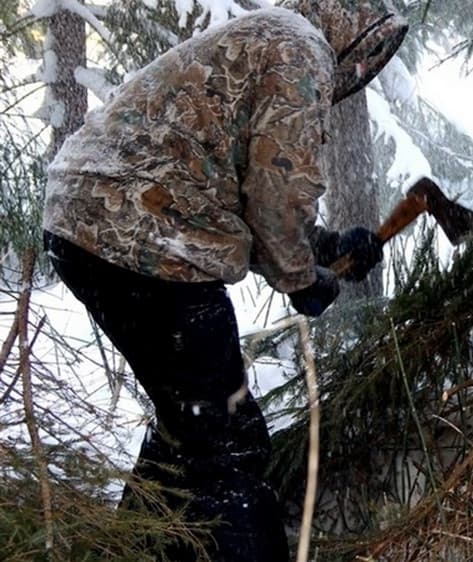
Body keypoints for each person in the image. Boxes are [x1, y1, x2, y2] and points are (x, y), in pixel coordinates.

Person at [41, 1, 408, 560]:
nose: (359, 71)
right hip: (143, 239)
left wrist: (323, 248)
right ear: (350, 25)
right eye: (365, 56)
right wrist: (300, 277)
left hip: (89, 222)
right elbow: (276, 192)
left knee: (190, 421)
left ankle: (132, 551)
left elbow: (236, 176)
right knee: (228, 444)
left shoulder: (270, 37)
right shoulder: (302, 47)